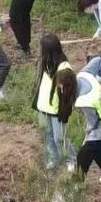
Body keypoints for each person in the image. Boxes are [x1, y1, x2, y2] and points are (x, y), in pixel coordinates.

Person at [34, 34, 75, 172]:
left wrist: (64, 112)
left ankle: (71, 160)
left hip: (57, 110)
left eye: (42, 48)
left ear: (49, 50)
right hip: (43, 107)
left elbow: (68, 96)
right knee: (48, 136)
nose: (40, 51)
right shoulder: (46, 62)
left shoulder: (64, 68)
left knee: (59, 138)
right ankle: (54, 159)